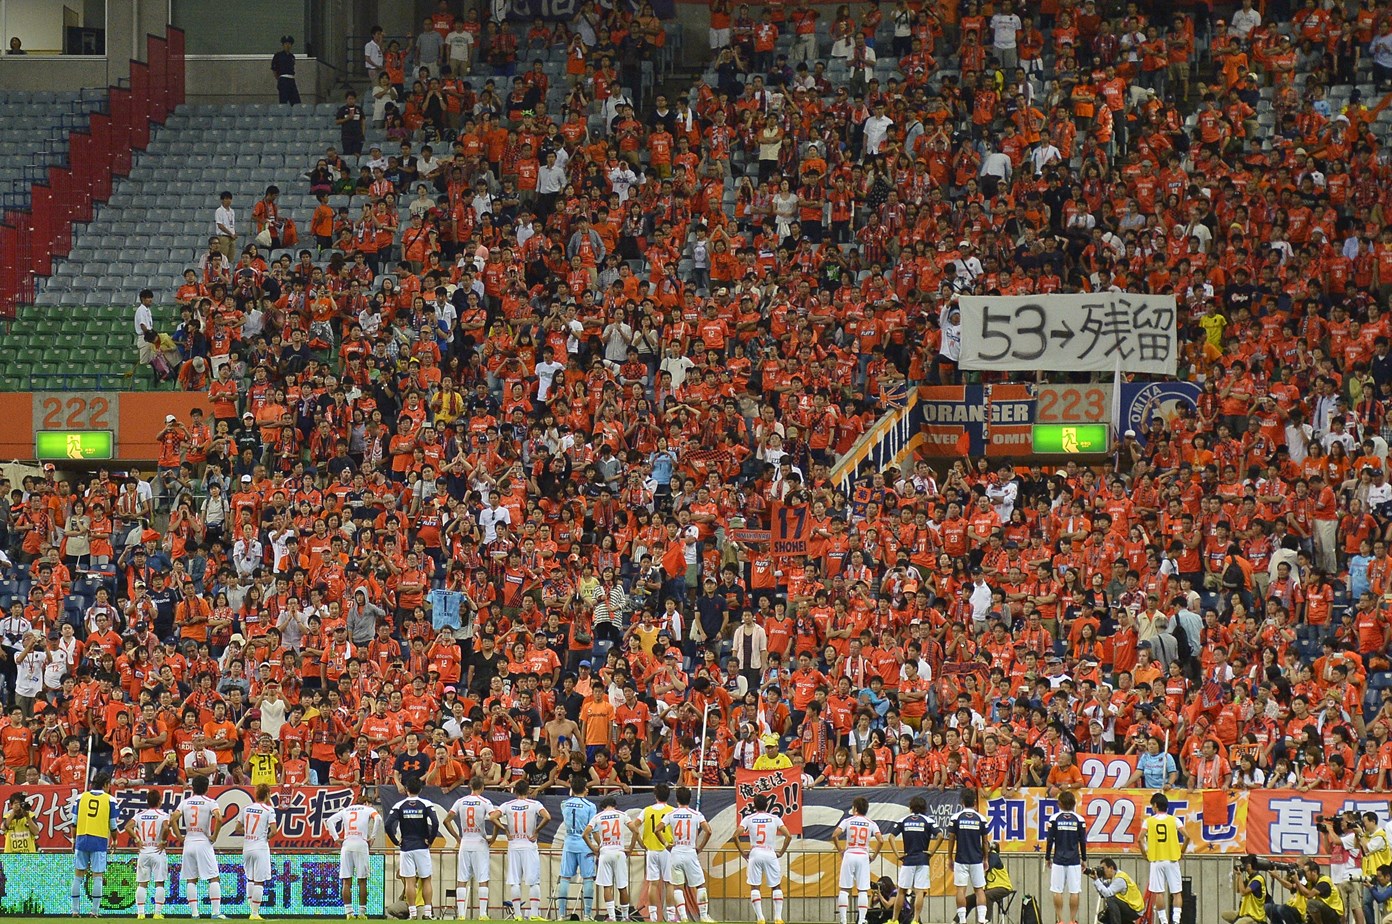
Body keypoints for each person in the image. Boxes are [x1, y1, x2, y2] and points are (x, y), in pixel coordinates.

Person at [491, 777, 550, 921]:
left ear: (515, 791)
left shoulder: (507, 805)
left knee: (515, 880)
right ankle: (534, 914)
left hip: (514, 844)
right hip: (529, 844)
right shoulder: (534, 804)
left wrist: (504, 829)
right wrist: (536, 830)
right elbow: (547, 817)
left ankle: (517, 915)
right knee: (533, 881)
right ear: (528, 791)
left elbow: (493, 817)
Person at [385, 776, 440, 921]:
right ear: (420, 789)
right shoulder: (426, 803)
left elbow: (387, 825)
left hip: (406, 847)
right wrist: (431, 839)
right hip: (422, 846)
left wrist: (396, 841)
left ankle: (413, 913)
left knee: (409, 881)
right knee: (426, 879)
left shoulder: (399, 805)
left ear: (406, 790)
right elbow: (435, 822)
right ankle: (427, 913)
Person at [444, 775, 497, 921]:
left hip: (465, 842)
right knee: (483, 878)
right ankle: (482, 914)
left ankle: (461, 914)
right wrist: (494, 836)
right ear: (482, 787)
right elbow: (494, 818)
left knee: (462, 878)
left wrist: (456, 837)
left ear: (470, 787)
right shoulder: (485, 802)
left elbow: (446, 820)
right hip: (480, 842)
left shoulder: (460, 801)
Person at [171, 773, 223, 918]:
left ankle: (194, 914)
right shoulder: (210, 802)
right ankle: (215, 912)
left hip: (189, 842)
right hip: (203, 842)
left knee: (191, 879)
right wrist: (214, 836)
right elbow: (219, 818)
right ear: (207, 788)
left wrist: (180, 836)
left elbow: (173, 818)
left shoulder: (185, 802)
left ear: (193, 788)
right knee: (213, 877)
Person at [326, 792, 382, 920]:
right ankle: (362, 912)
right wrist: (372, 837)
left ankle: (349, 912)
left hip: (347, 843)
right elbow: (378, 819)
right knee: (362, 881)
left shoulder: (346, 810)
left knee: (346, 880)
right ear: (366, 803)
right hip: (361, 843)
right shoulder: (368, 809)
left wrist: (336, 838)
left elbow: (330, 821)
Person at [69, 771, 118, 917]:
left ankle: (75, 911)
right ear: (105, 785)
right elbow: (113, 825)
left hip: (82, 838)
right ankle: (94, 911)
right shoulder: (110, 800)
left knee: (78, 875)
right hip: (99, 839)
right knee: (98, 875)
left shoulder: (80, 797)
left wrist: (73, 840)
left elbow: (74, 823)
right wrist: (114, 840)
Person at [737, 793, 791, 924]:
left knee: (755, 886)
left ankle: (760, 918)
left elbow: (735, 835)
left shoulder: (749, 818)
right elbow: (788, 836)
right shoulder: (774, 818)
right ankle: (778, 917)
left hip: (755, 852)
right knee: (776, 885)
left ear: (754, 805)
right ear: (767, 804)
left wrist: (742, 852)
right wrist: (782, 852)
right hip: (770, 852)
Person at [667, 785, 715, 924]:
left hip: (676, 851)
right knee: (700, 885)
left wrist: (666, 844)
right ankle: (704, 916)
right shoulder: (696, 814)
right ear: (690, 799)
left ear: (677, 800)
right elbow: (709, 831)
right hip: (690, 851)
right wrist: (700, 847)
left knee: (677, 887)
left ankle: (683, 917)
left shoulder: (671, 814)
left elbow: (658, 829)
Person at [833, 796, 884, 924]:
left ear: (855, 808)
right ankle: (861, 920)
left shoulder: (848, 820)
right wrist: (874, 856)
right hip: (863, 855)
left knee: (844, 889)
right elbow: (881, 840)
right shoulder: (871, 823)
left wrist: (840, 850)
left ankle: (843, 920)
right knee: (862, 889)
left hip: (850, 853)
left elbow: (834, 835)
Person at [631, 781, 676, 924]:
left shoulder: (646, 810)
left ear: (655, 795)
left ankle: (653, 916)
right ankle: (670, 917)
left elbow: (634, 826)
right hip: (667, 849)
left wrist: (640, 841)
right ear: (668, 795)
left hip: (651, 850)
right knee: (669, 883)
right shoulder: (672, 810)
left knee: (653, 883)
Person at [585, 796, 633, 923]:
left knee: (607, 886)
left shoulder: (598, 817)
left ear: (602, 807)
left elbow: (585, 834)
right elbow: (635, 831)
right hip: (619, 852)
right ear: (615, 805)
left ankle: (611, 917)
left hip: (605, 852)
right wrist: (631, 848)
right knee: (622, 886)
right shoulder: (622, 815)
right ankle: (625, 917)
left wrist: (595, 848)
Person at [234, 784, 279, 920]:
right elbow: (274, 830)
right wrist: (266, 837)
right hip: (260, 847)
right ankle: (254, 913)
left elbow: (237, 828)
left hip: (247, 847)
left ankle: (251, 909)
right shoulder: (268, 810)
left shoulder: (246, 809)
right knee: (259, 881)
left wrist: (248, 833)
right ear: (267, 795)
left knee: (250, 879)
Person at [892, 795, 938, 924]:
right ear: (924, 808)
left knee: (901, 890)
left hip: (908, 860)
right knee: (919, 891)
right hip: (923, 860)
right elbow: (940, 835)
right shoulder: (928, 821)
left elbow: (891, 837)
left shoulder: (903, 820)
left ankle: (894, 920)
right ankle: (916, 920)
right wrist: (932, 852)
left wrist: (897, 854)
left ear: (911, 807)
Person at [557, 777, 597, 921]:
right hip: (584, 844)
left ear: (572, 789)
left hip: (569, 843)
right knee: (587, 878)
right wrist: (596, 846)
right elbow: (592, 828)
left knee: (565, 877)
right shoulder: (590, 806)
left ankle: (561, 914)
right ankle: (587, 914)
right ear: (585, 788)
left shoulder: (564, 804)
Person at [1141, 792, 1185, 924]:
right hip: (1172, 859)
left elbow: (1139, 838)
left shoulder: (1148, 821)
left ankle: (1163, 921)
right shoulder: (1174, 820)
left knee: (1159, 892)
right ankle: (1176, 920)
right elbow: (1187, 835)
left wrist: (1145, 854)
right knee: (1176, 892)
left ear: (1155, 805)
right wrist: (1182, 851)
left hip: (1156, 860)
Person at [949, 787, 991, 924]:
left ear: (962, 801)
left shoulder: (955, 818)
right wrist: (986, 858)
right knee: (979, 890)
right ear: (974, 802)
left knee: (961, 890)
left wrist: (950, 857)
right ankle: (981, 919)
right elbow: (985, 842)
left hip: (961, 859)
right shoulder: (981, 819)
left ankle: (962, 920)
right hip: (977, 860)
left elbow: (951, 839)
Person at [127, 789, 170, 919]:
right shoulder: (163, 815)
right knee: (159, 883)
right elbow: (167, 827)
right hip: (157, 852)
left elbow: (128, 827)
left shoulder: (140, 815)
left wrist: (137, 839)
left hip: (144, 851)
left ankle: (140, 913)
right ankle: (157, 913)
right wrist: (162, 841)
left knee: (142, 883)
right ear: (159, 801)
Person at [1045, 790, 1086, 924]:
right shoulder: (1080, 820)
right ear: (1074, 804)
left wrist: (1047, 857)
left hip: (1058, 859)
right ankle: (1072, 920)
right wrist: (1084, 859)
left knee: (1057, 890)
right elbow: (1083, 841)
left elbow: (1050, 840)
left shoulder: (1054, 818)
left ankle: (1060, 919)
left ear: (1060, 804)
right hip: (1074, 860)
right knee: (1074, 891)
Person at [1087, 859, 1145, 924]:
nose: (1102, 871)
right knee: (1104, 916)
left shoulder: (1120, 879)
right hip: (1130, 907)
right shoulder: (1115, 877)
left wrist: (1096, 880)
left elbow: (1107, 893)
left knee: (1111, 899)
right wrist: (1095, 880)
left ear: (1111, 868)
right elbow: (1103, 894)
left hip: (1135, 910)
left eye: (1103, 869)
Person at [1222, 855, 1268, 924]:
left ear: (1250, 865)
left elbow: (1243, 892)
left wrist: (1240, 876)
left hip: (1254, 915)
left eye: (1245, 864)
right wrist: (1238, 876)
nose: (1244, 866)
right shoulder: (1249, 878)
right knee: (1225, 914)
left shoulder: (1258, 880)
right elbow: (1237, 890)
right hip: (1245, 912)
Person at [270, 35, 300, 105]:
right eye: (286, 44)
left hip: (291, 80)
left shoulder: (292, 57)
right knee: (283, 100)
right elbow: (274, 69)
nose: (287, 45)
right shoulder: (278, 55)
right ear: (283, 45)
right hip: (283, 79)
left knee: (296, 102)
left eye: (289, 44)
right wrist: (280, 79)